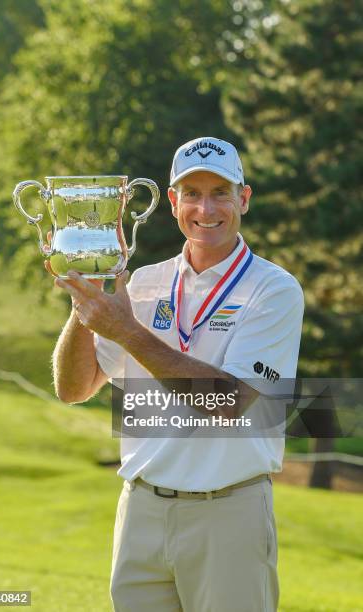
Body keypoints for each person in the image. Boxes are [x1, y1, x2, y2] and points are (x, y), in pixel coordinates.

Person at [49, 136, 304, 612]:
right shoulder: (143, 281)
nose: (205, 209)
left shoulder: (274, 290)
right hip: (141, 509)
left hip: (228, 512)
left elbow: (227, 403)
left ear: (243, 199)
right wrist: (87, 295)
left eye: (220, 193)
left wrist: (125, 330)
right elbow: (73, 388)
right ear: (172, 202)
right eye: (191, 193)